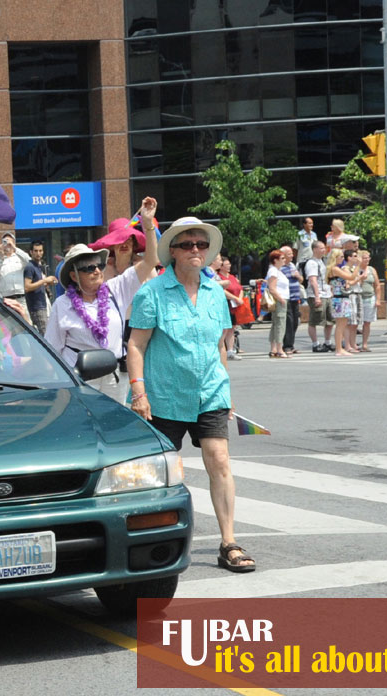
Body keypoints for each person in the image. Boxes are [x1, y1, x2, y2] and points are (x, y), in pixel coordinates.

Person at [125, 216, 254, 574]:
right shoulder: (152, 292)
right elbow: (136, 345)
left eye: (200, 244)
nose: (195, 250)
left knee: (220, 461)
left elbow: (220, 345)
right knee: (158, 472)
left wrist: (225, 390)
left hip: (209, 392)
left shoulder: (215, 292)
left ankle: (229, 542)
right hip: (163, 395)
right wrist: (139, 392)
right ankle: (150, 542)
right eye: (186, 245)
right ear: (173, 252)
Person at [43, 197, 158, 403]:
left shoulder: (116, 289)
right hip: (80, 377)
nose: (96, 270)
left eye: (98, 265)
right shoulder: (63, 305)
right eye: (88, 267)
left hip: (115, 376)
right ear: (73, 275)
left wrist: (148, 224)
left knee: (114, 426)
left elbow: (150, 260)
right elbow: (53, 347)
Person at [325, 248, 360, 356]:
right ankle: (338, 349)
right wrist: (358, 266)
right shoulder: (334, 269)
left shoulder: (335, 269)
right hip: (339, 298)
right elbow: (351, 276)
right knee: (340, 325)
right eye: (340, 257)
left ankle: (340, 348)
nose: (342, 259)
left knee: (343, 324)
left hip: (343, 297)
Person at [303, 240, 334, 352]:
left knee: (330, 320)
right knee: (314, 320)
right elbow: (313, 280)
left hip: (326, 294)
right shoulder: (311, 263)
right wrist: (317, 296)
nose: (323, 250)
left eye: (324, 248)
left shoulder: (321, 261)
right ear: (315, 249)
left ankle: (327, 342)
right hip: (317, 294)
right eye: (321, 248)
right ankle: (315, 344)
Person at [0, 234, 33, 307]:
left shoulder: (19, 257)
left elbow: (29, 261)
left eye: (9, 242)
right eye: (5, 242)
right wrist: (1, 257)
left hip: (20, 298)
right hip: (5, 298)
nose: (7, 245)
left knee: (23, 317)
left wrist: (14, 248)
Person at [214, 255, 243, 359]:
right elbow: (221, 289)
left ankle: (230, 350)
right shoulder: (216, 275)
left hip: (233, 305)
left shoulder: (232, 277)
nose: (229, 266)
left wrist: (239, 298)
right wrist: (235, 298)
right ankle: (221, 350)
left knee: (231, 328)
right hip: (225, 302)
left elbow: (240, 288)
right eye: (226, 264)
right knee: (223, 329)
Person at [264, 250, 290, 358]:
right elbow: (272, 288)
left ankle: (274, 348)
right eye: (282, 258)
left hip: (281, 298)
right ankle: (279, 348)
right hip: (280, 299)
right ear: (275, 260)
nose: (284, 261)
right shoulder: (273, 271)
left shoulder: (277, 271)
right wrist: (281, 299)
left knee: (276, 323)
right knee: (280, 324)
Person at [279, 246, 303, 355]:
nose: (292, 255)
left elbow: (301, 280)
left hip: (295, 297)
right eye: (289, 254)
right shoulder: (280, 267)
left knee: (295, 321)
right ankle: (287, 346)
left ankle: (291, 344)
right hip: (286, 297)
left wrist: (298, 276)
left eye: (292, 253)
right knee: (289, 322)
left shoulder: (292, 265)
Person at [355, 250, 380, 351]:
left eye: (368, 257)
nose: (367, 259)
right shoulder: (356, 270)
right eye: (364, 257)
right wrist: (360, 279)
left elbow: (377, 285)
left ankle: (364, 344)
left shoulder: (371, 270)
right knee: (354, 323)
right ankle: (352, 343)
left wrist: (378, 299)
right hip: (358, 297)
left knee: (367, 322)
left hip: (370, 297)